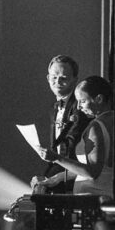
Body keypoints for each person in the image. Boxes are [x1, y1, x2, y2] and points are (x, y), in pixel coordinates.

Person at [35, 76, 115, 199]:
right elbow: (102, 168)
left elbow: (92, 172)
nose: (78, 107)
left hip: (94, 200)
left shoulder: (96, 126)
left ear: (98, 99)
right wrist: (59, 177)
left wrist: (56, 158)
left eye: (82, 101)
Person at [32, 55, 91, 194]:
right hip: (60, 171)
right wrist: (45, 178)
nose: (57, 81)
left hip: (78, 178)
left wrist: (53, 179)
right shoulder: (54, 108)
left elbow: (72, 150)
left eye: (63, 78)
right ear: (48, 78)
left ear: (75, 80)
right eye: (54, 77)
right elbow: (57, 150)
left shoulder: (81, 108)